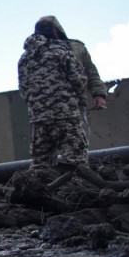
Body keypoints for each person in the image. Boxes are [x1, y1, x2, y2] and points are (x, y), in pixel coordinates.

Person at [18, 20, 88, 170]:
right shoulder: (61, 51)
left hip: (39, 117)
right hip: (65, 113)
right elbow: (78, 80)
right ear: (55, 32)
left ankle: (39, 191)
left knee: (41, 163)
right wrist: (79, 99)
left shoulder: (24, 58)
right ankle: (77, 191)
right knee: (76, 160)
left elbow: (23, 88)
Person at [36, 15, 107, 143]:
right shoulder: (35, 53)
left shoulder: (76, 48)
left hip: (73, 103)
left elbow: (91, 72)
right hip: (45, 107)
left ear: (56, 31)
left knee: (79, 141)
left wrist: (99, 94)